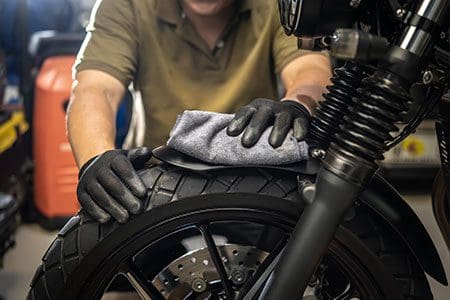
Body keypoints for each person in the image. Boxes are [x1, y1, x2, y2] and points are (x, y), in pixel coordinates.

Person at [69, 0, 332, 224]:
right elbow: (96, 88)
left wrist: (297, 103)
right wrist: (96, 157)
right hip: (151, 186)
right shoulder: (127, 4)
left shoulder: (277, 4)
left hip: (253, 185)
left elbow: (308, 67)